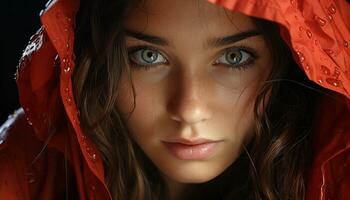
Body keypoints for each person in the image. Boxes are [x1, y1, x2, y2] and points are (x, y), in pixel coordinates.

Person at [0, 0, 349, 199]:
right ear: (96, 62)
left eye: (233, 58)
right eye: (148, 56)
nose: (190, 109)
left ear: (289, 59)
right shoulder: (25, 168)